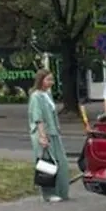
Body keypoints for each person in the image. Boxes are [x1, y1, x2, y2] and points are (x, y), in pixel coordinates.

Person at [28, 68, 70, 202]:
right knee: (47, 164)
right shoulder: (36, 96)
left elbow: (52, 114)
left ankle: (62, 191)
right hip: (43, 133)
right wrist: (42, 136)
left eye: (52, 79)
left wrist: (57, 128)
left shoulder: (48, 94)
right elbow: (38, 118)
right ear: (41, 80)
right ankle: (49, 193)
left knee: (61, 162)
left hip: (53, 132)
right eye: (48, 79)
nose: (51, 82)